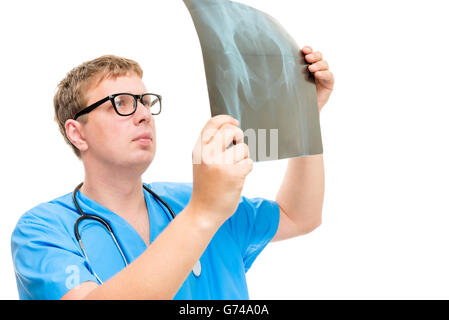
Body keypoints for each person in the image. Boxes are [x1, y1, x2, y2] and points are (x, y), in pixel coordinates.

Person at [10, 46, 334, 300]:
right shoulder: (42, 230)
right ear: (77, 133)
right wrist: (204, 212)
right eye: (120, 103)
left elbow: (299, 216)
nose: (143, 115)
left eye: (145, 102)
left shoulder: (188, 199)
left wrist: (304, 118)